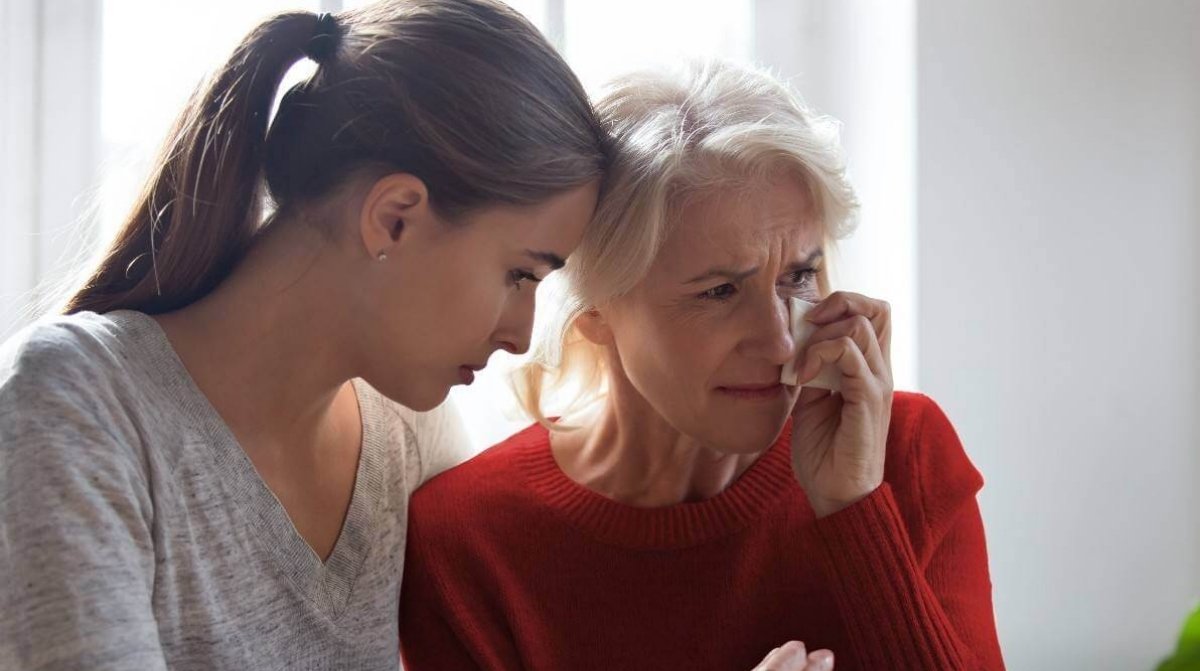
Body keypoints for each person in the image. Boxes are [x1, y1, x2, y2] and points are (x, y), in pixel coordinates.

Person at [0, 2, 607, 668]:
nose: (522, 335)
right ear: (394, 218)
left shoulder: (408, 436)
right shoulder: (76, 408)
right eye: (520, 274)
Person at [399, 61, 1006, 670]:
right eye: (718, 292)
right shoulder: (466, 538)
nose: (777, 344)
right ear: (595, 311)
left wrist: (855, 508)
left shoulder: (902, 452)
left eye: (799, 276)